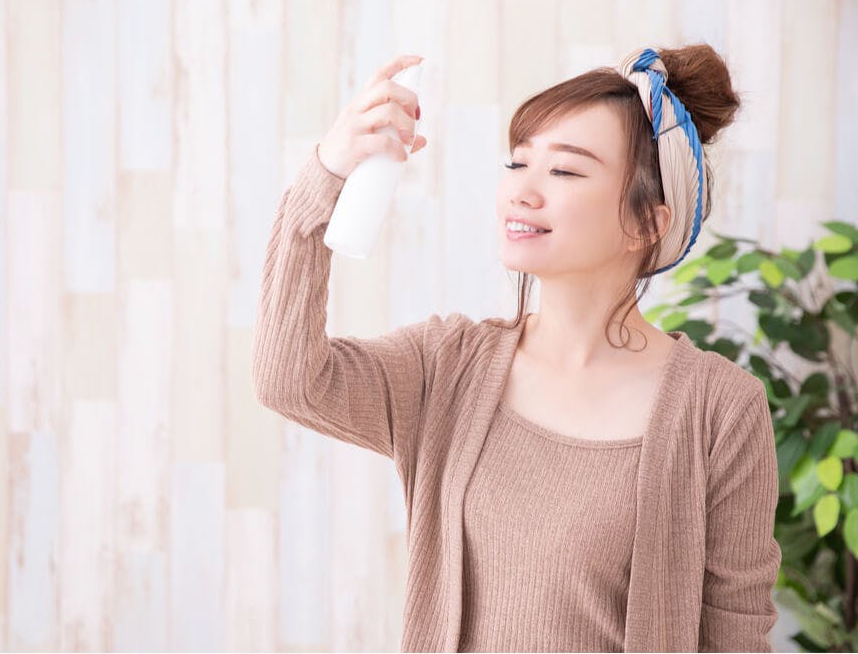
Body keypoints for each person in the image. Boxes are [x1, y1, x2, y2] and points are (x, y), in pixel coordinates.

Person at [252, 48, 780, 652]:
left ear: (647, 223)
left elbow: (735, 633)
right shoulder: (448, 367)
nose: (522, 192)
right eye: (517, 162)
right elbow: (288, 381)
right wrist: (327, 176)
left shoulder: (720, 410)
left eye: (565, 172)